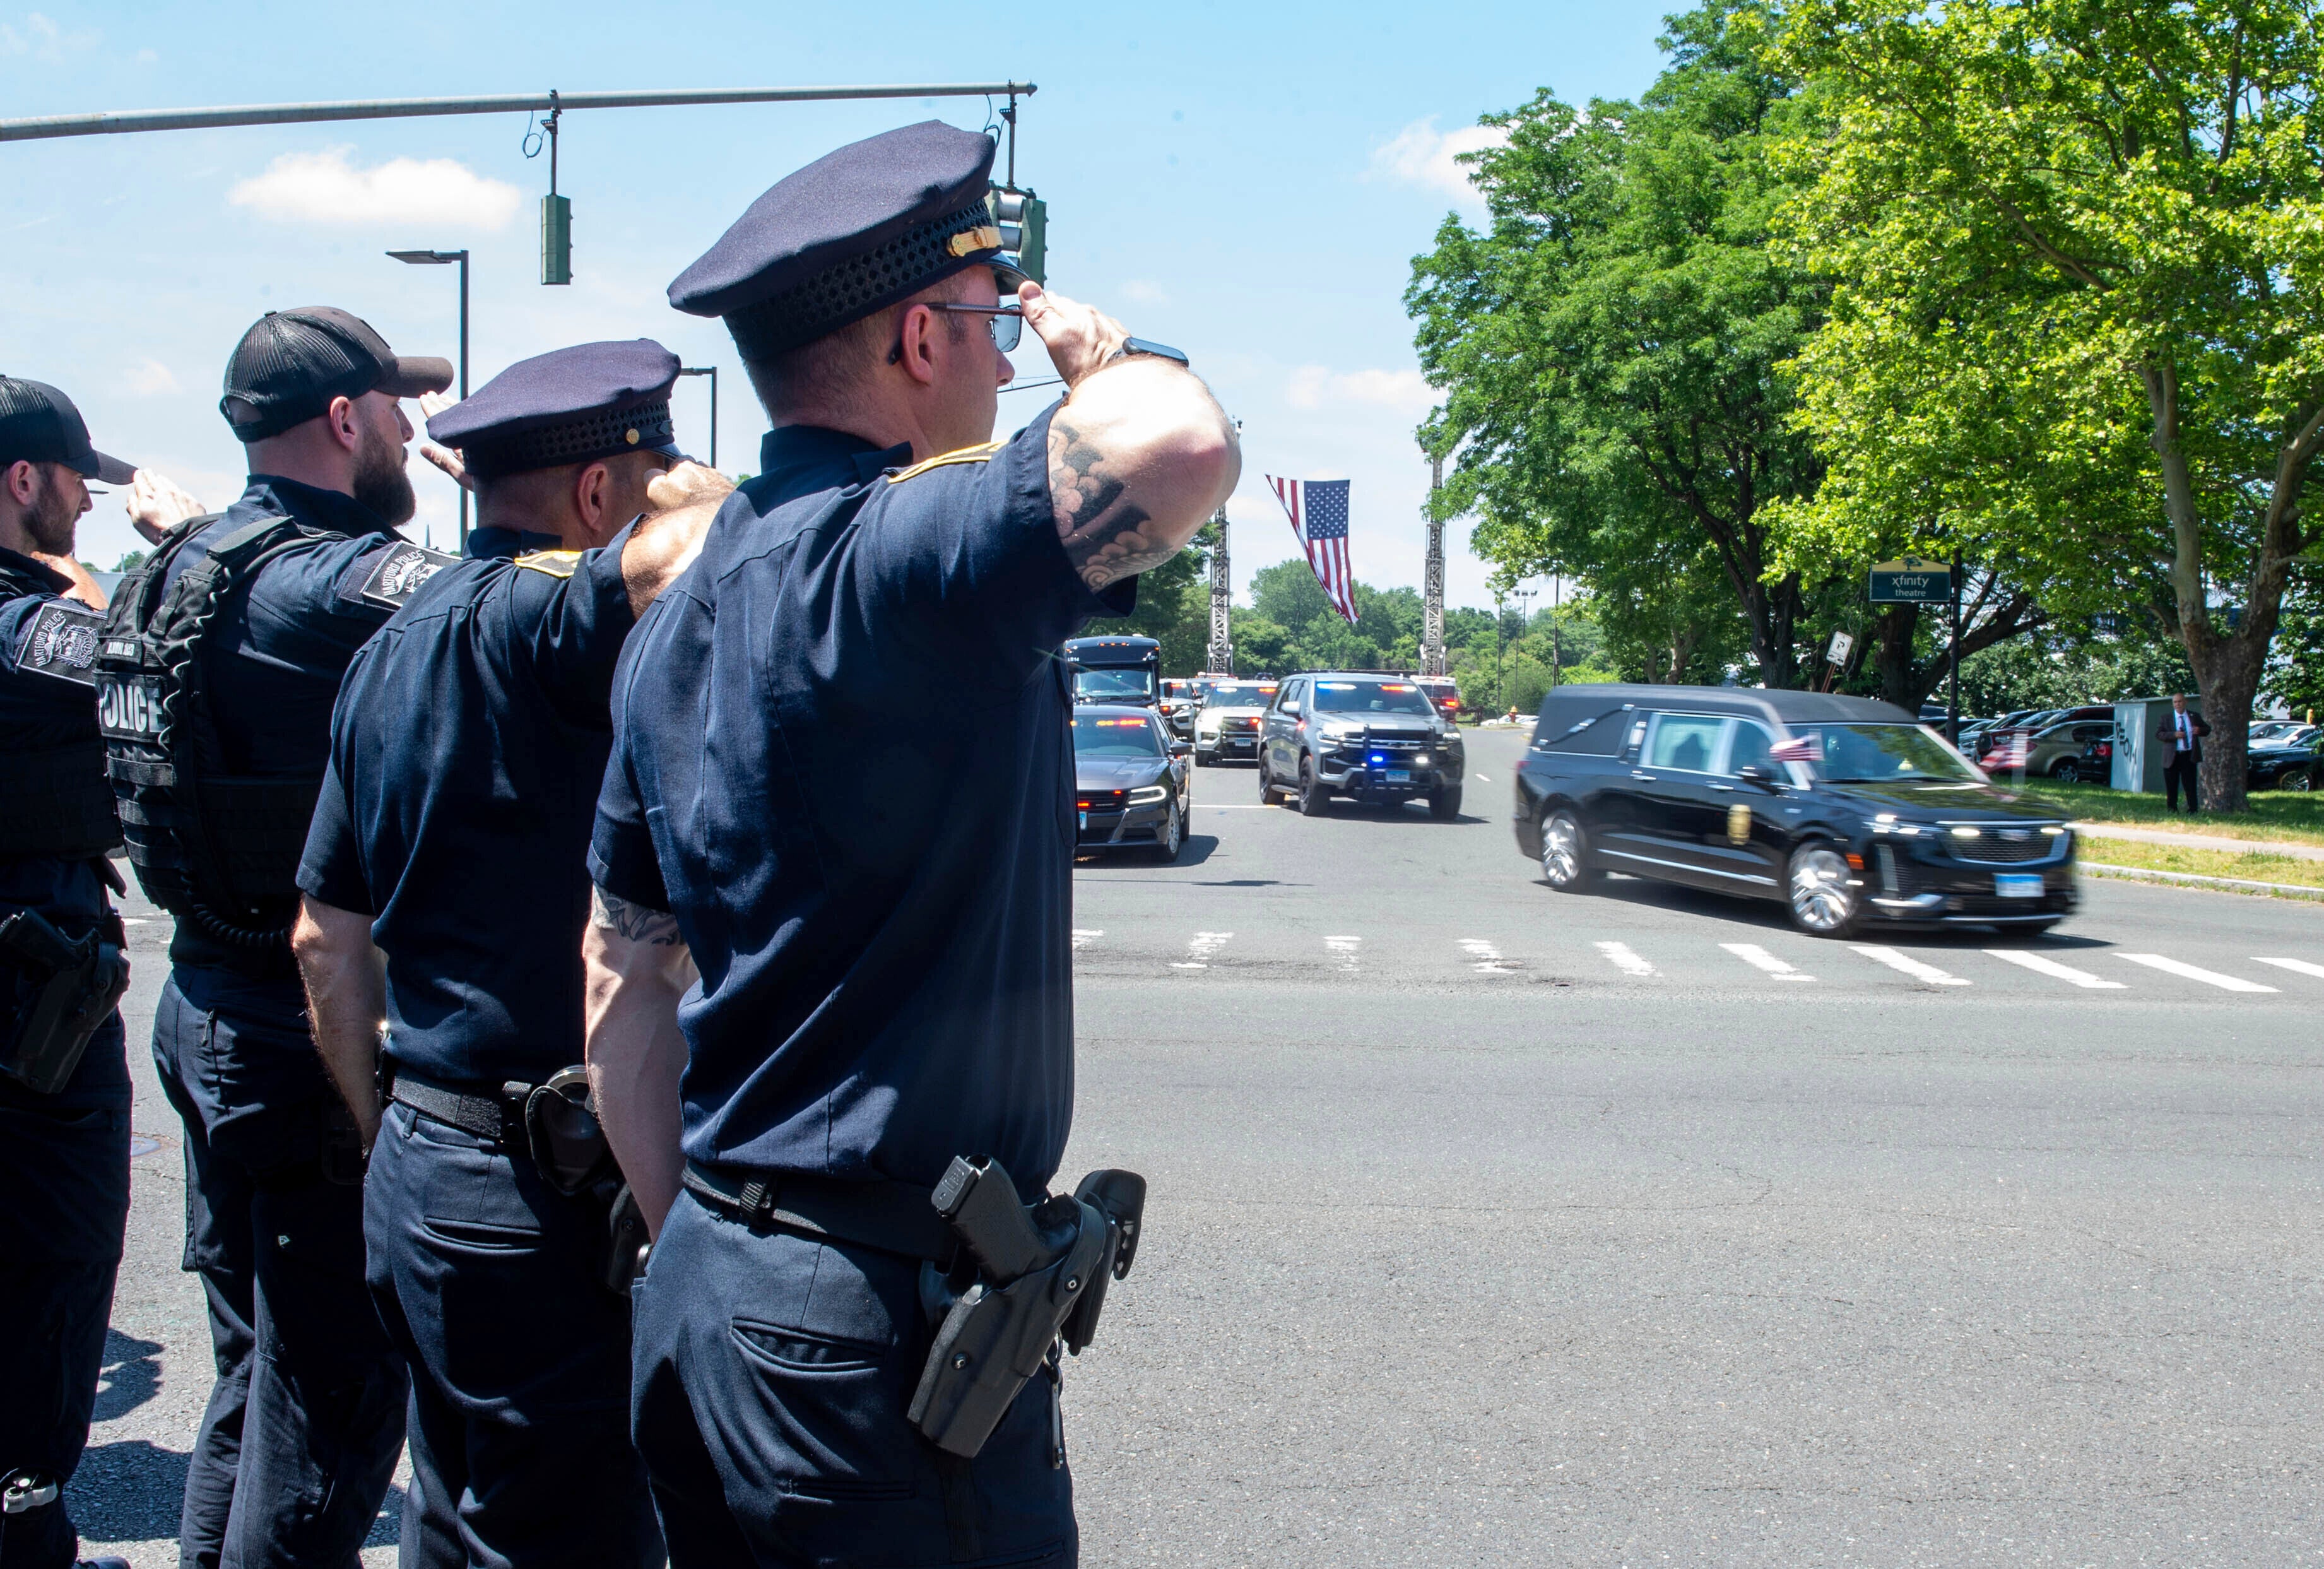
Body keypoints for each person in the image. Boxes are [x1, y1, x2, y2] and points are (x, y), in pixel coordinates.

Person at [582, 121, 1239, 1566]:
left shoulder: (676, 620)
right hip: (871, 1339)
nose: (1008, 361)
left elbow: (621, 985)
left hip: (710, 1288)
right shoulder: (901, 554)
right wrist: (1108, 360)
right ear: (919, 338)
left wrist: (726, 1252)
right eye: (991, 321)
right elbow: (1180, 445)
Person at [290, 339, 730, 1569]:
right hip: (545, 1197)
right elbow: (707, 549)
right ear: (597, 495)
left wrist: (386, 1127)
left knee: (457, 1516)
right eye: (644, 475)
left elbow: (324, 939)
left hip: (421, 1159)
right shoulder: (554, 621)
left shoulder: (385, 649)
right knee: (576, 1532)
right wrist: (706, 490)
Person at [100, 306, 451, 1568]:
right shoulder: (332, 581)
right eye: (397, 407)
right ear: (345, 420)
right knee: (332, 1406)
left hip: (206, 1009)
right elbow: (510, 600)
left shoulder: (174, 567)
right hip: (302, 1036)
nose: (412, 428)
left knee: (257, 1378)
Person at [0, 377, 138, 1569]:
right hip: (28, 1005)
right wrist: (173, 557)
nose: (87, 501)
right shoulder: (23, 621)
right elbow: (142, 663)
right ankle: (25, 1518)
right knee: (54, 1259)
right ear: (22, 480)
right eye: (75, 479)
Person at [2157, 693, 2210, 812]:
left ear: (2185, 702)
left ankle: (2193, 810)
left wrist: (2200, 730)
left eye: (2180, 701)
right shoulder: (2166, 718)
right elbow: (2159, 734)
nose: (2178, 704)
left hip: (2188, 755)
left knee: (2190, 784)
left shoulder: (2194, 716)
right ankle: (2172, 809)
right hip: (2172, 756)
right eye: (2175, 702)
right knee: (2172, 785)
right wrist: (2174, 735)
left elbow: (2207, 729)